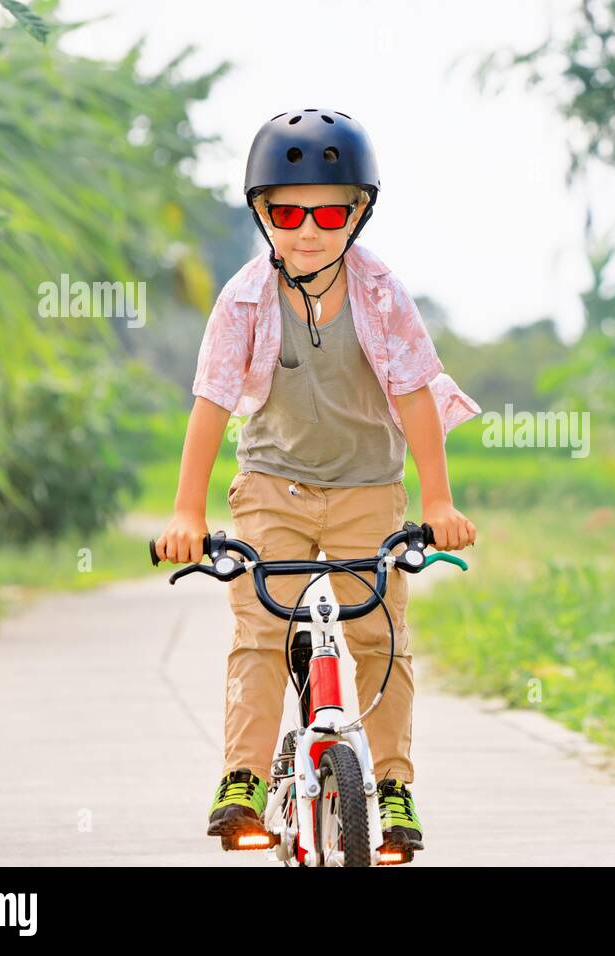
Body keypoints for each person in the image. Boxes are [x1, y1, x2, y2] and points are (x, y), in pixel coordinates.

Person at [153, 108, 480, 856]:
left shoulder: (380, 293)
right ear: (264, 214)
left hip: (369, 488)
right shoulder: (242, 298)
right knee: (262, 632)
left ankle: (393, 788)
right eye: (289, 212)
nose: (309, 229)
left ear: (358, 213)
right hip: (274, 487)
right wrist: (185, 513)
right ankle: (242, 779)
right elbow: (210, 403)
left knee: (380, 636)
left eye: (330, 211)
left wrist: (438, 502)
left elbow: (414, 394)